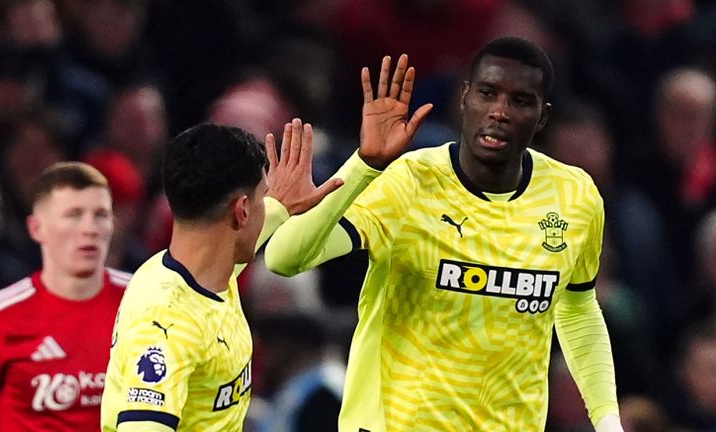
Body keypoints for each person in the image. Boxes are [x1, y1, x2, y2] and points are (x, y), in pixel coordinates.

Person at [265, 37, 624, 431]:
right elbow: (284, 258)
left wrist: (607, 420)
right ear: (465, 99)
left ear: (542, 116)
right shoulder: (410, 182)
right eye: (488, 93)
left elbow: (577, 309)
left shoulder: (575, 195)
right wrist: (364, 165)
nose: (500, 112)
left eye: (520, 101)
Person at [100, 119, 341, 431]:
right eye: (263, 198)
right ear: (242, 210)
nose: (267, 208)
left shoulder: (206, 271)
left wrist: (365, 164)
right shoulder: (167, 320)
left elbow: (242, 234)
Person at [0, 161, 129, 431]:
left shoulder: (148, 303)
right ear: (36, 228)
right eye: (74, 214)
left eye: (101, 215)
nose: (90, 228)